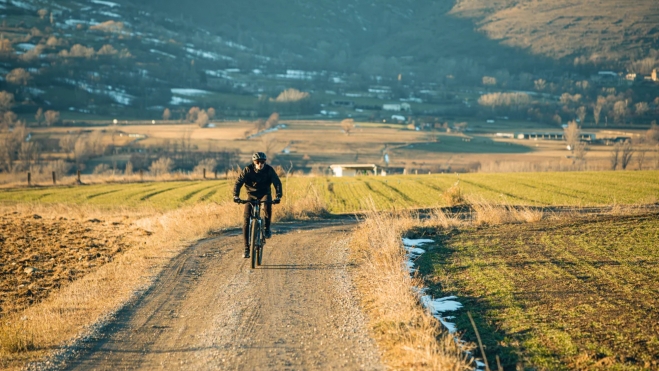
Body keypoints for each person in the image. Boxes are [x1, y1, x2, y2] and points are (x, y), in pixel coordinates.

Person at [233, 152, 282, 258]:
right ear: (254, 162)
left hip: (265, 194)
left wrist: (278, 196)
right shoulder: (247, 170)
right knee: (246, 220)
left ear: (265, 162)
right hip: (251, 195)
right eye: (257, 162)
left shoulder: (269, 170)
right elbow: (238, 182)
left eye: (262, 162)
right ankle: (246, 249)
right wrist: (236, 196)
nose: (260, 164)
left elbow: (277, 183)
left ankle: (267, 228)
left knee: (267, 206)